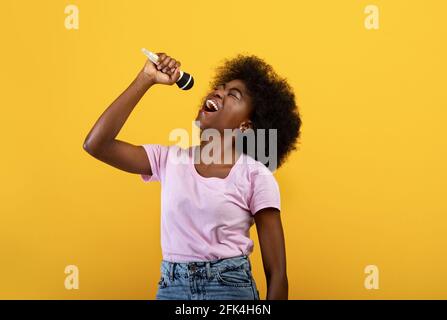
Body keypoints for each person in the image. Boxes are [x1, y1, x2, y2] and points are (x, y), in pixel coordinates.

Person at [83, 51, 302, 300]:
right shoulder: (168, 160)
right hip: (172, 288)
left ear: (245, 126)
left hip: (229, 287)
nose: (218, 92)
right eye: (219, 87)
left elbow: (277, 274)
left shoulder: (256, 176)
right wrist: (145, 79)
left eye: (232, 94)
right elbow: (96, 144)